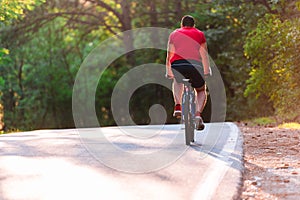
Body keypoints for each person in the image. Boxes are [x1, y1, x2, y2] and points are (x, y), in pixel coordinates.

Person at [165, 15, 211, 130]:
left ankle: (178, 106)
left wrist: (169, 71)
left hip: (178, 65)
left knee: (177, 80)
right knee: (201, 90)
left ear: (182, 24)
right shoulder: (200, 34)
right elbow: (204, 55)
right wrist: (206, 71)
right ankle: (197, 115)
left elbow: (169, 55)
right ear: (193, 25)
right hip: (194, 65)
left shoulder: (174, 34)